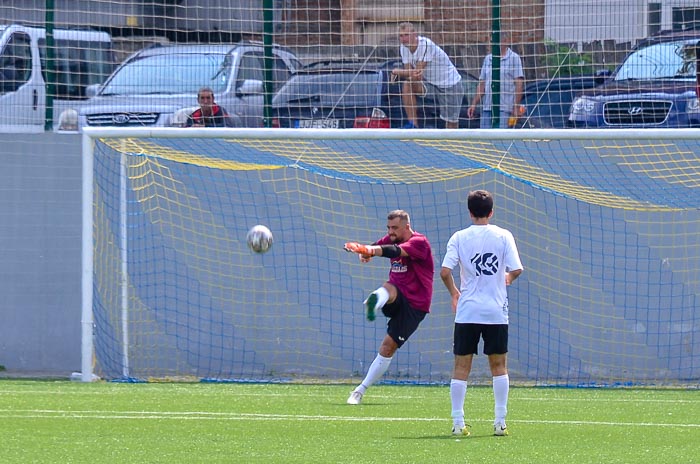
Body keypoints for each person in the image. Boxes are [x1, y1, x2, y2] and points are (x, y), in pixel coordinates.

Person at [440, 190, 523, 437]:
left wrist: (455, 293)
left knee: (461, 367)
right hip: (496, 311)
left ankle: (457, 422)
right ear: (491, 211)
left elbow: (445, 272)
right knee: (499, 366)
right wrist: (507, 276)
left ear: (469, 211)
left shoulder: (459, 237)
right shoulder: (503, 235)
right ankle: (499, 422)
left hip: (468, 311)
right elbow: (517, 269)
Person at [343, 210, 434, 405]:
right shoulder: (392, 237)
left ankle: (360, 390)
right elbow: (380, 245)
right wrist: (365, 252)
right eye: (389, 228)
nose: (391, 232)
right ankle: (375, 299)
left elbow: (393, 251)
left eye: (395, 228)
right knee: (390, 287)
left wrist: (370, 251)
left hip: (416, 305)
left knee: (387, 347)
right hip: (396, 295)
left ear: (407, 227)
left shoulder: (419, 242)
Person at [391, 22, 464, 129]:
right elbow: (412, 74)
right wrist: (402, 75)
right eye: (401, 36)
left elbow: (417, 71)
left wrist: (396, 71)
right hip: (430, 85)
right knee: (408, 84)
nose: (403, 38)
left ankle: (454, 143)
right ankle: (413, 125)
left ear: (414, 34)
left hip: (450, 84)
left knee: (451, 123)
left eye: (406, 35)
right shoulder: (403, 48)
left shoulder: (426, 44)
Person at [468, 34, 525, 128]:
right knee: (485, 140)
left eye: (495, 41)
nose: (492, 44)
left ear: (505, 41)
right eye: (491, 41)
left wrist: (516, 107)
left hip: (504, 110)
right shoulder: (488, 59)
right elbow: (482, 85)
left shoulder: (514, 58)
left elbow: (519, 84)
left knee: (501, 140)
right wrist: (473, 104)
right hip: (487, 109)